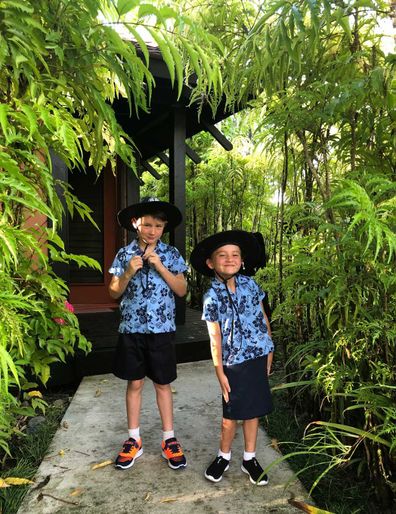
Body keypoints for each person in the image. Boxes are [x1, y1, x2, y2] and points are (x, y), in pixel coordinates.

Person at [108, 197, 188, 471]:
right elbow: (113, 291)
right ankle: (134, 439)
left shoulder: (172, 254)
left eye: (158, 225)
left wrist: (160, 267)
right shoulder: (123, 254)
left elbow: (181, 290)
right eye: (147, 225)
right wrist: (129, 271)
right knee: (134, 384)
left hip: (162, 329)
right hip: (131, 329)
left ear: (164, 227)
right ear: (135, 224)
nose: (152, 230)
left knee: (163, 384)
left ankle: (169, 438)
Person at [190, 230, 274, 485]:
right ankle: (223, 456)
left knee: (253, 411)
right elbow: (215, 337)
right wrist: (219, 370)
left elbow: (264, 318)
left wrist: (270, 349)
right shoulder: (211, 297)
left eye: (235, 254)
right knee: (231, 415)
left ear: (242, 259)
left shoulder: (251, 285)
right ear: (210, 262)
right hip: (233, 362)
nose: (230, 259)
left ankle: (250, 458)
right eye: (222, 255)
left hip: (259, 355)